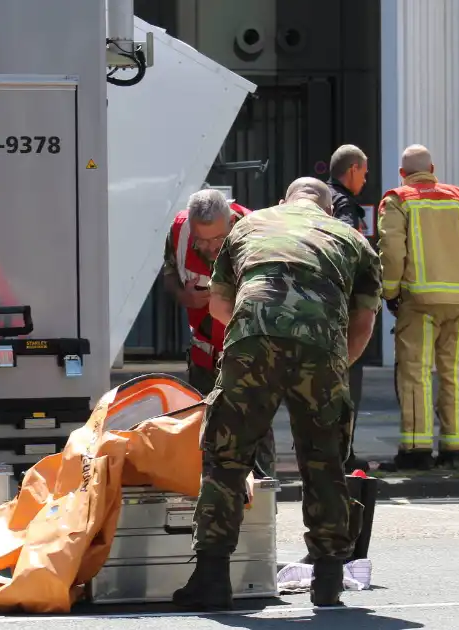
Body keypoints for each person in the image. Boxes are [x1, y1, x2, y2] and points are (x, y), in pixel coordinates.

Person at [173, 177, 382, 611]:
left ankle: (211, 577)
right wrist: (334, 366)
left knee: (227, 457)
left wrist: (257, 339)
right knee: (324, 460)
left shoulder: (250, 226)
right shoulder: (353, 239)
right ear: (326, 209)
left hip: (253, 336)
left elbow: (217, 307)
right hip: (322, 345)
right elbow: (362, 325)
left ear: (283, 200)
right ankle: (327, 580)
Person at [378, 144, 459, 471]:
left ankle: (416, 450)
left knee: (415, 373)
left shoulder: (399, 200)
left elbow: (391, 250)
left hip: (417, 302)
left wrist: (390, 292)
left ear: (403, 173)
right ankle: (455, 449)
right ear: (433, 167)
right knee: (455, 374)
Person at [161, 189, 274, 476]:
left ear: (231, 222)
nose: (211, 247)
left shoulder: (257, 232)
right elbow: (170, 272)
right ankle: (208, 506)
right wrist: (182, 295)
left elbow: (272, 298)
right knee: (204, 437)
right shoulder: (179, 230)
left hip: (246, 353)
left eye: (219, 239)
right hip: (203, 354)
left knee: (253, 432)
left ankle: (261, 502)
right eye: (203, 240)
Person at [327, 144, 372, 473]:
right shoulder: (344, 204)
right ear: (353, 169)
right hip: (339, 307)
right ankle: (343, 454)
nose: (366, 180)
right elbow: (347, 245)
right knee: (345, 382)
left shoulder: (319, 198)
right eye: (365, 173)